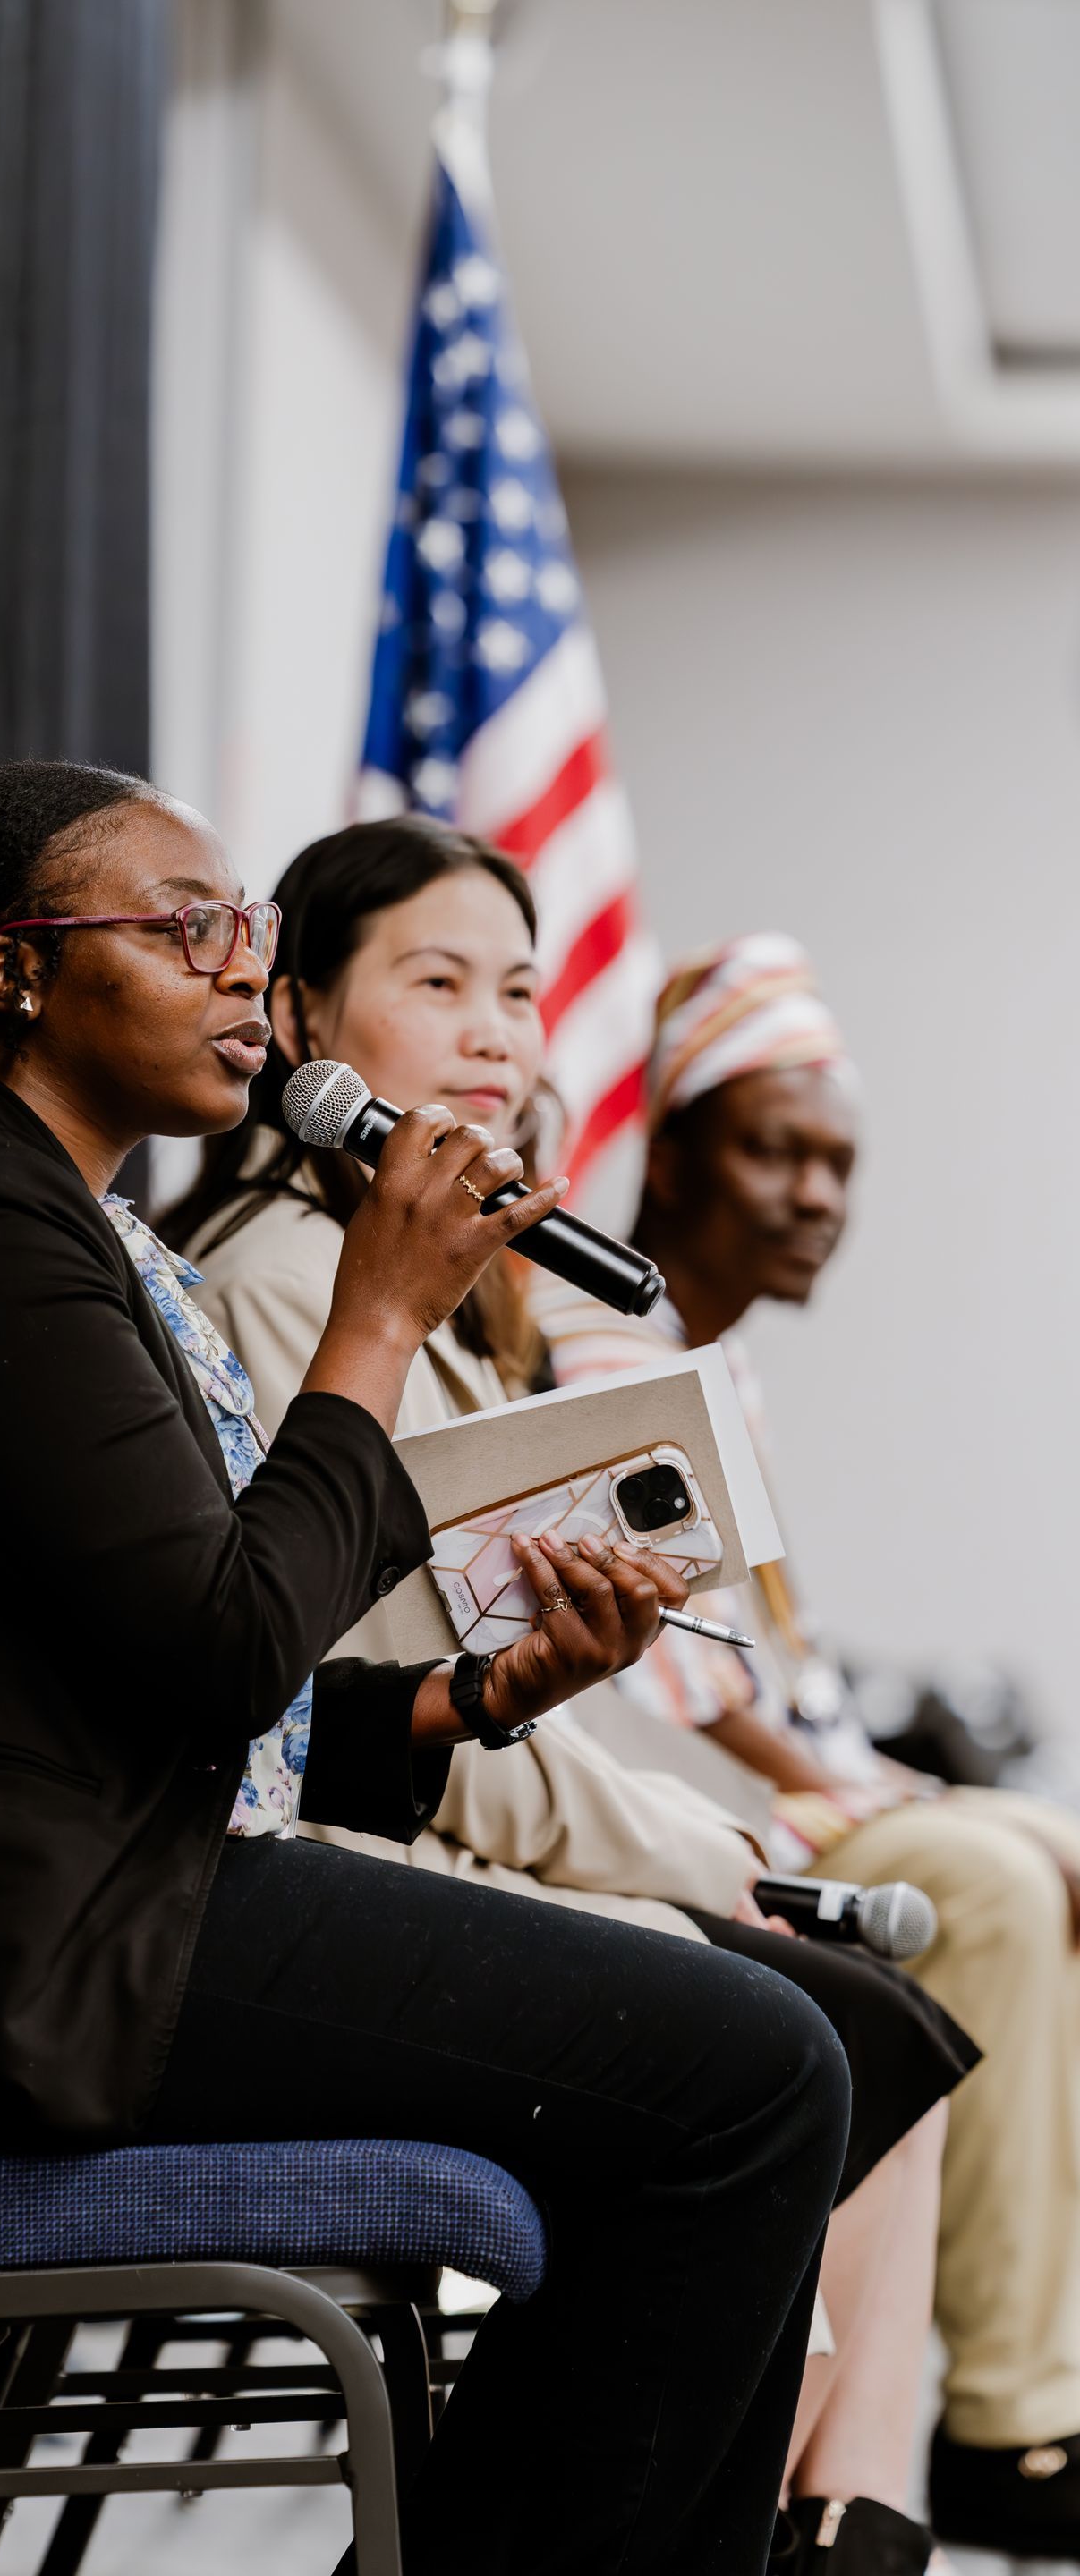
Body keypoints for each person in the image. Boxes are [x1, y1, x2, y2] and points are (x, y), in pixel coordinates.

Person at [0, 763, 851, 2576]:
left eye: (249, 932)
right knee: (754, 2072)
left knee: (750, 2061)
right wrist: (379, 1318)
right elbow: (229, 1644)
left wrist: (485, 1694)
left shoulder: (47, 1221)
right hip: (24, 1968)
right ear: (13, 973)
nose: (245, 974)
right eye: (183, 932)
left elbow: (173, 1666)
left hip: (95, 1903)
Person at [168, 821, 974, 2575]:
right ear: (295, 1015)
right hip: (337, 1868)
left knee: (880, 2026)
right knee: (799, 2040)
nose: (496, 1038)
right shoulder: (298, 1282)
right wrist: (704, 1847)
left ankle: (849, 2518)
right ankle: (787, 2521)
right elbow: (371, 1714)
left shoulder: (448, 1296)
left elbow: (506, 1693)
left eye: (521, 994)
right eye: (438, 984)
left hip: (463, 1820)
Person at [538, 929, 1080, 2567]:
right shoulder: (597, 1347)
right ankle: (1001, 2421)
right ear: (677, 1151)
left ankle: (1016, 2391)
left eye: (838, 1162)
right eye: (775, 1150)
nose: (815, 1194)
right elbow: (658, 1682)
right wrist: (851, 1794)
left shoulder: (717, 1364)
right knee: (982, 1881)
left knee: (1028, 1849)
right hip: (683, 1819)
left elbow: (783, 1665)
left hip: (778, 1791)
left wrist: (889, 1776)